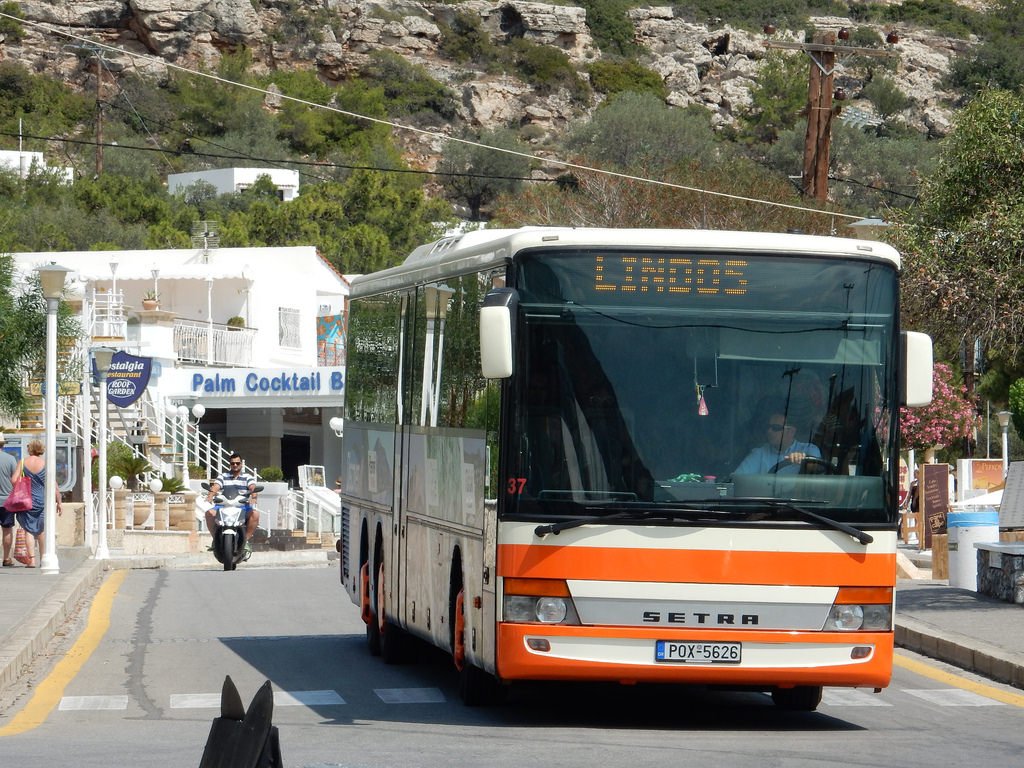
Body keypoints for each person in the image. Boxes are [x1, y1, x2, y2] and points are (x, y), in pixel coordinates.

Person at [14, 439, 62, 566]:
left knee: (28, 529)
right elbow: (54, 484)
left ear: (30, 449)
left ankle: (32, 560)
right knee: (41, 530)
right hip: (42, 501)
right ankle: (43, 558)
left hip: (27, 500)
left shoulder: (23, 462)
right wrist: (59, 501)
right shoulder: (46, 464)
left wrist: (23, 482)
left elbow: (14, 480)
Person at [733, 409, 821, 475]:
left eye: (775, 428)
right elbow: (738, 479)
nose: (769, 431)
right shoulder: (760, 453)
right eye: (768, 427)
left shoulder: (809, 449)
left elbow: (815, 469)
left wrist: (803, 460)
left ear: (791, 432)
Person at [206, 453, 260, 555]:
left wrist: (254, 497)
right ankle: (215, 541)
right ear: (229, 464)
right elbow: (216, 486)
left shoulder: (247, 477)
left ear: (241, 464)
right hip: (223, 505)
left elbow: (253, 487)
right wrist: (210, 495)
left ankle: (245, 541)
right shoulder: (223, 476)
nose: (235, 465)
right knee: (209, 513)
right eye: (232, 463)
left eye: (237, 463)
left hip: (242, 506)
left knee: (255, 514)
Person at [0, 433, 21, 567]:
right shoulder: (11, 459)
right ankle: (6, 558)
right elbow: (16, 480)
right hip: (6, 501)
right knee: (7, 530)